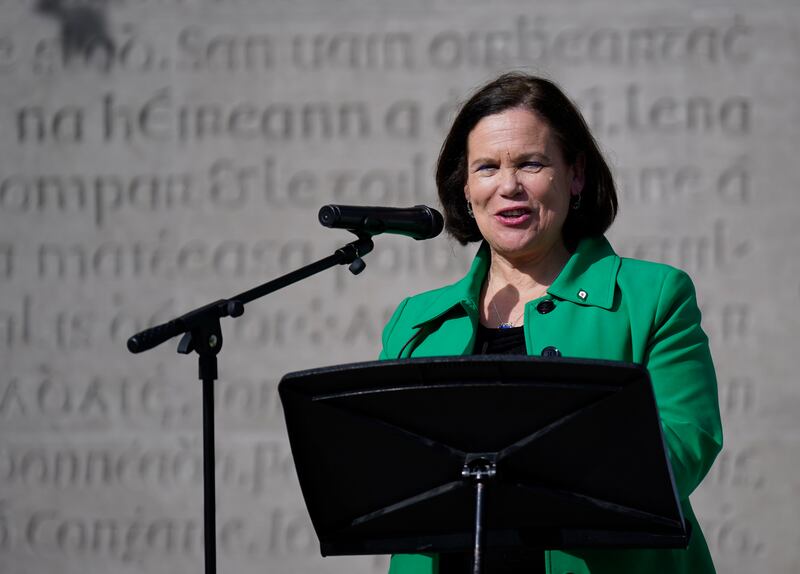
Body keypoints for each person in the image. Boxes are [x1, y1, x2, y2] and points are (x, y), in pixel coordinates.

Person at [379, 73, 723, 574]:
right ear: (466, 186)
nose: (508, 186)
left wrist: (555, 477)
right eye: (487, 167)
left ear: (575, 174)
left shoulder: (652, 297)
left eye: (531, 163)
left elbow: (686, 439)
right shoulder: (417, 321)